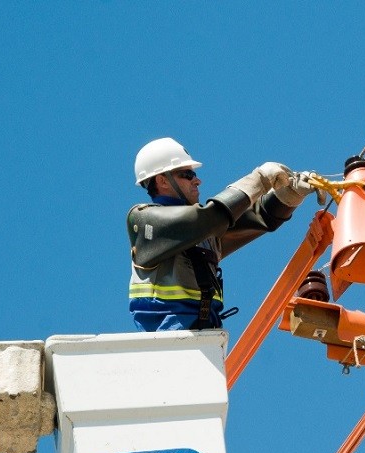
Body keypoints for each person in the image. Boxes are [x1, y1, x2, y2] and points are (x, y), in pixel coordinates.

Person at [127, 137, 318, 331]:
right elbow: (209, 219)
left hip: (203, 336)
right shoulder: (145, 221)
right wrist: (259, 179)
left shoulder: (202, 234)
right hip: (168, 340)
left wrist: (287, 196)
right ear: (162, 181)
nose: (197, 180)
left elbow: (256, 219)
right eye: (187, 174)